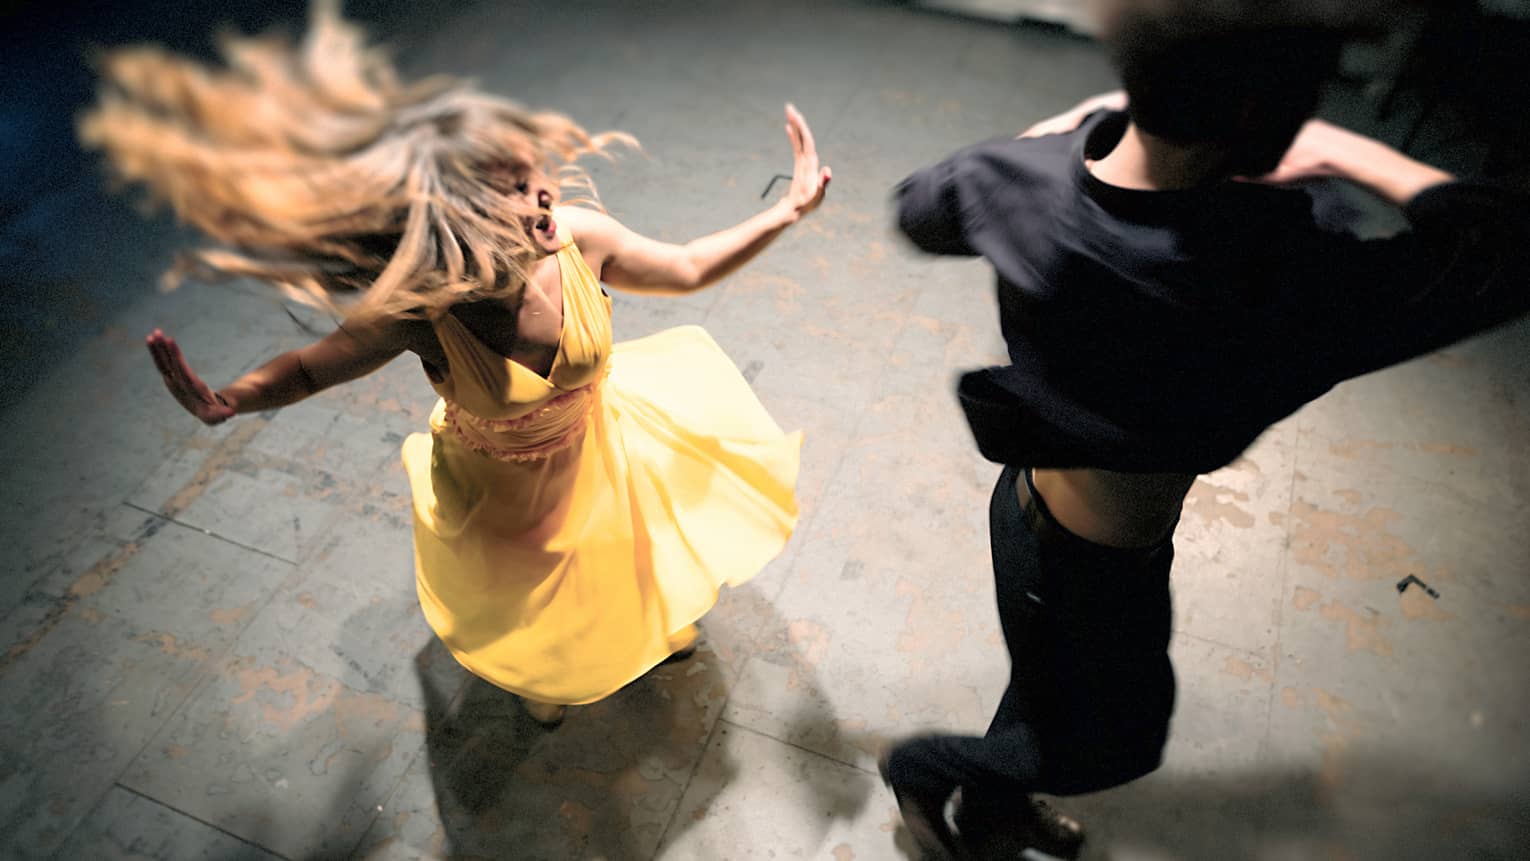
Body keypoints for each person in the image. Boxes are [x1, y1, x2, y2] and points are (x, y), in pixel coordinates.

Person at [882, 1, 1530, 857]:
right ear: (1264, 121)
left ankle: (996, 808)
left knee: (1050, 687)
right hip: (1087, 562)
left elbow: (919, 209)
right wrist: (1347, 150)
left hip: (1038, 508)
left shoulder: (1025, 182)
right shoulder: (1289, 283)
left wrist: (1057, 139)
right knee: (1114, 739)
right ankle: (926, 767)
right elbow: (1508, 249)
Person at [84, 2, 830, 727]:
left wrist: (784, 212)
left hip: (602, 446)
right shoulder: (422, 309)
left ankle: (646, 627)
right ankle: (548, 673)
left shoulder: (575, 235)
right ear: (451, 221)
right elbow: (311, 369)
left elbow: (688, 265)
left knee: (627, 550)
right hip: (506, 489)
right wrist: (231, 401)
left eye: (532, 171)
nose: (540, 194)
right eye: (506, 191)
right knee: (543, 602)